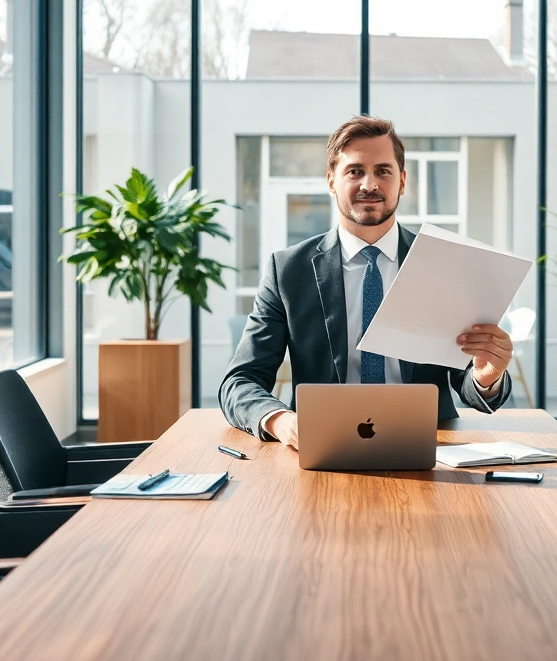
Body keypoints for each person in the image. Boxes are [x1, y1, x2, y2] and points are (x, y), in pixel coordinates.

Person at [220, 116, 514, 449]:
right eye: (355, 171)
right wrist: (281, 420)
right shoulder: (287, 271)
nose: (369, 184)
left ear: (402, 181)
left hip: (430, 446)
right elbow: (240, 381)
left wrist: (486, 377)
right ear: (331, 181)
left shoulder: (444, 265)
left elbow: (468, 383)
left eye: (383, 171)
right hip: (320, 446)